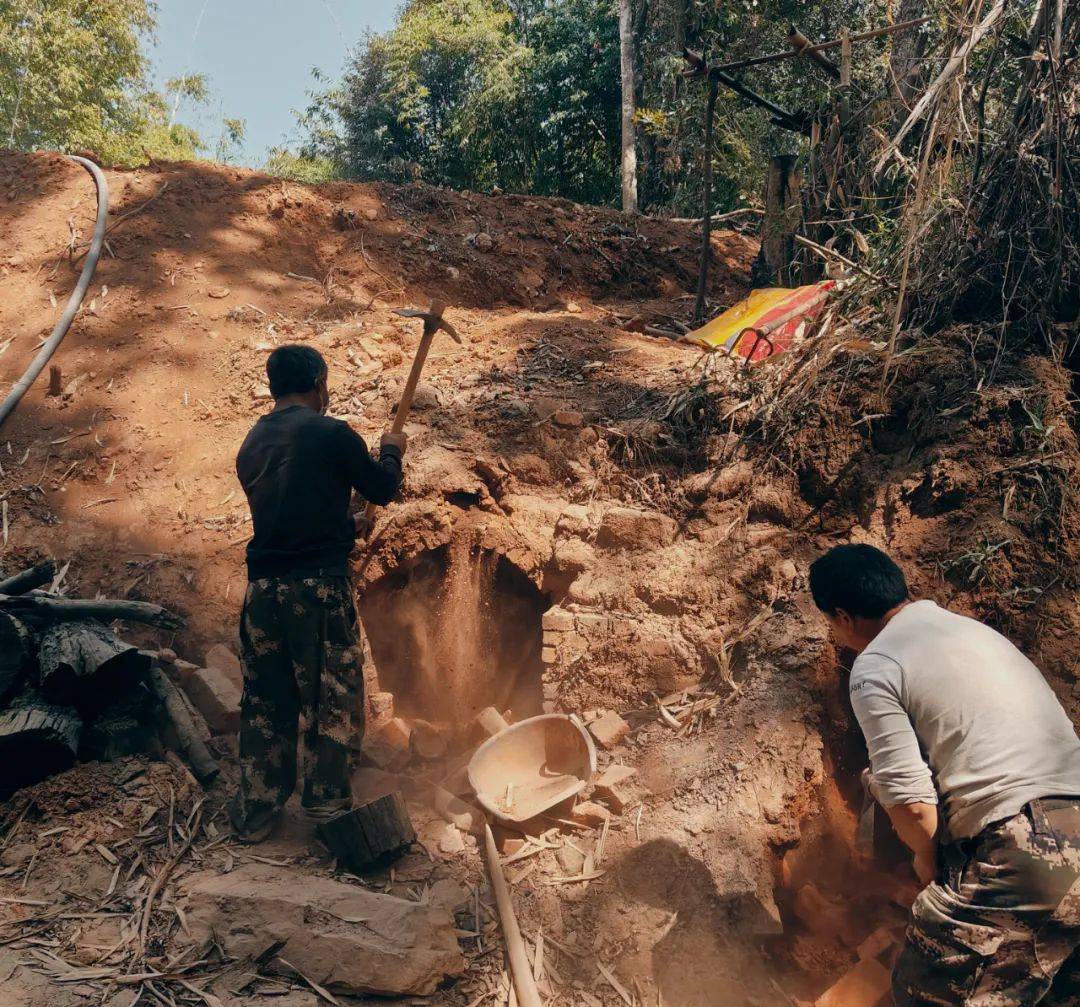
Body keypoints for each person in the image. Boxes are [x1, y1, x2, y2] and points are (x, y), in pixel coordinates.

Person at [808, 544, 1080, 1006]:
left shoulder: (878, 664)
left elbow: (912, 803)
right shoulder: (974, 633)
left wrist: (927, 860)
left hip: (1031, 847)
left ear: (843, 617)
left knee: (926, 990)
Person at [229, 344, 405, 841]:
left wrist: (344, 525)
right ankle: (326, 805)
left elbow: (291, 511)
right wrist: (392, 450)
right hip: (318, 588)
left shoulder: (252, 443)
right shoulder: (331, 433)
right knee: (332, 694)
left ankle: (258, 808)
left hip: (263, 591)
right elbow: (383, 488)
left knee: (267, 699)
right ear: (319, 384)